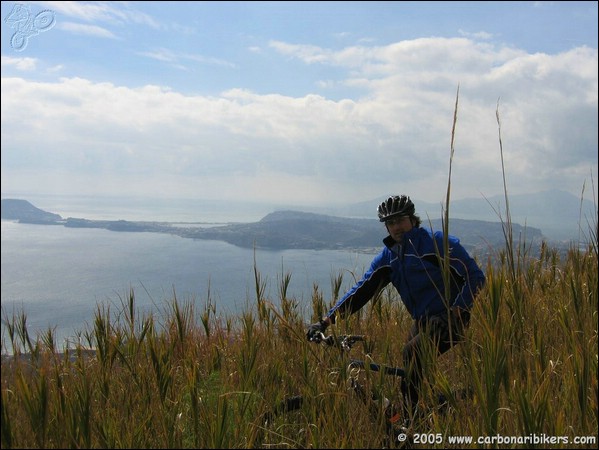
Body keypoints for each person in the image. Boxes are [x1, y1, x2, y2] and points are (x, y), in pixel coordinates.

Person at [306, 194, 486, 423]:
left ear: (412, 219)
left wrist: (457, 310)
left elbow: (475, 277)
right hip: (424, 321)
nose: (396, 227)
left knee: (412, 353)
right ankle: (432, 409)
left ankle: (410, 423)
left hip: (452, 318)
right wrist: (325, 321)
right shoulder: (389, 257)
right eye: (390, 223)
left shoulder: (436, 243)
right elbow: (362, 290)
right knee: (411, 369)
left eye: (400, 220)